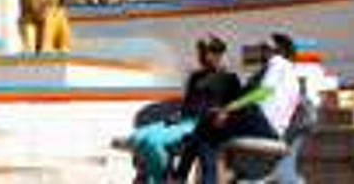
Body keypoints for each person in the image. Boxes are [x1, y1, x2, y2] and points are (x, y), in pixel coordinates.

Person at [176, 33, 302, 184]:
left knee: (207, 125)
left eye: (264, 47)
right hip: (273, 129)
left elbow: (263, 92)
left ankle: (181, 177)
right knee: (207, 131)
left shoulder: (277, 62)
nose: (260, 51)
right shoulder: (291, 73)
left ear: (277, 50)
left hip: (262, 123)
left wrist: (228, 109)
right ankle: (186, 177)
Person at [126, 36, 241, 184]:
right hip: (182, 121)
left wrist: (225, 114)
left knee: (152, 142)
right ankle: (164, 174)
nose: (206, 56)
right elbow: (188, 103)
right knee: (136, 137)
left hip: (200, 125)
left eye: (212, 51)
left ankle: (162, 179)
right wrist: (178, 115)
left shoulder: (230, 79)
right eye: (204, 52)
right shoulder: (195, 76)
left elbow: (236, 105)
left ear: (220, 53)